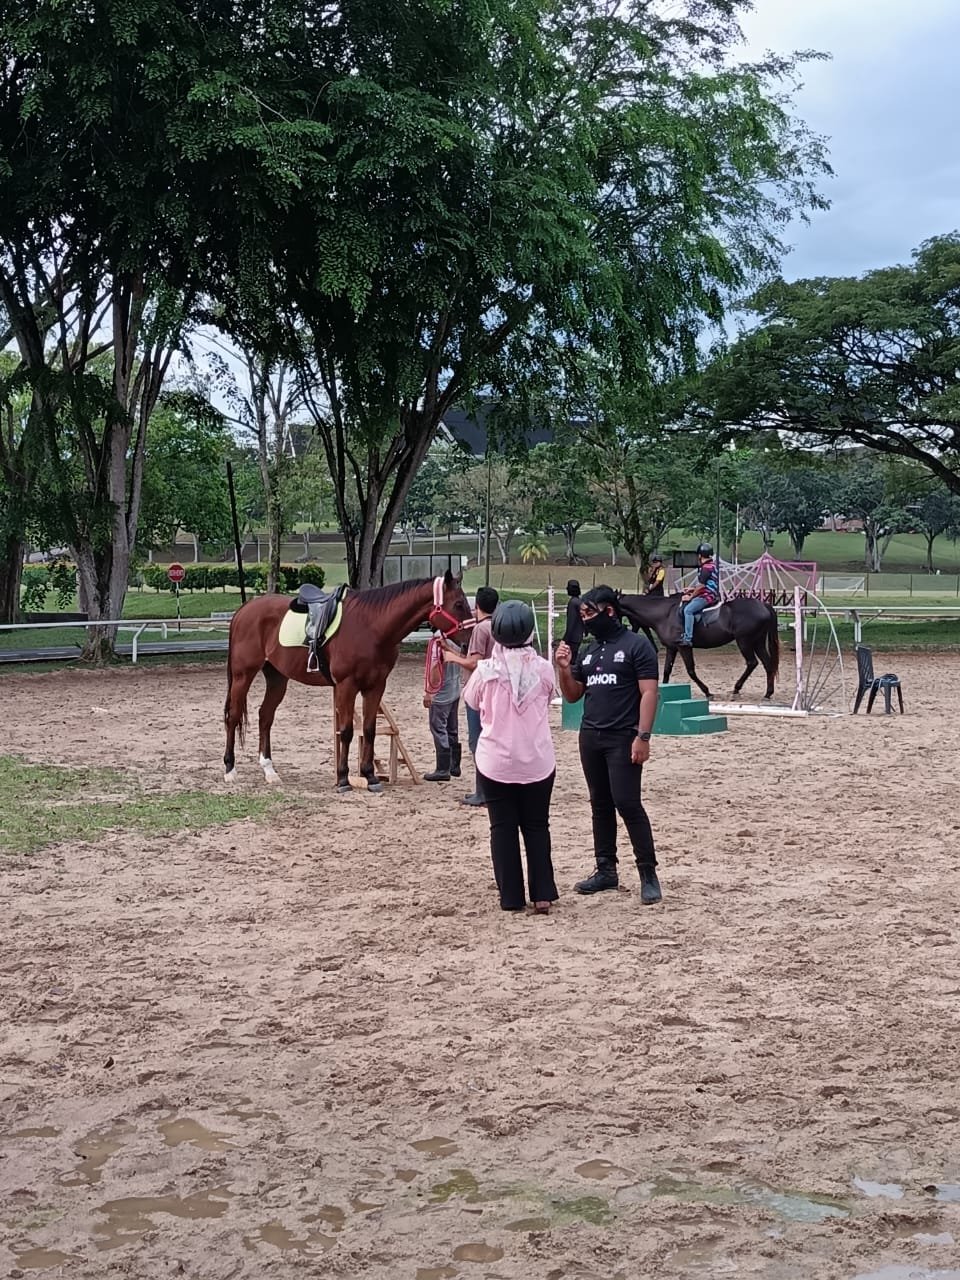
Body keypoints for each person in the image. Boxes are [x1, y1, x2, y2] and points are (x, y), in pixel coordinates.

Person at [555, 585, 662, 904]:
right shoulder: (589, 650)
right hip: (590, 736)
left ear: (610, 611)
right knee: (599, 803)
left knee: (628, 803)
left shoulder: (637, 646)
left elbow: (649, 693)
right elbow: (573, 694)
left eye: (589, 613)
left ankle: (648, 873)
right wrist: (563, 669)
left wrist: (643, 736)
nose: (585, 620)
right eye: (582, 614)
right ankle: (606, 870)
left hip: (623, 737)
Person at [463, 600, 558, 914]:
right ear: (530, 630)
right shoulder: (544, 668)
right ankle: (542, 894)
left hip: (496, 762)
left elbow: (472, 702)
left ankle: (511, 898)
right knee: (537, 826)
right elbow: (549, 696)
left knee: (501, 828)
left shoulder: (485, 671)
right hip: (537, 760)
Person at [443, 585, 499, 805]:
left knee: (478, 741)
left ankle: (482, 792)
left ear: (477, 606)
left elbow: (475, 663)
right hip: (496, 691)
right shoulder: (500, 626)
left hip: (478, 691)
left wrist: (452, 658)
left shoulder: (481, 629)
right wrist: (455, 652)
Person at [422, 632, 462, 782]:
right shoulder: (457, 639)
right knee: (452, 728)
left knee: (438, 728)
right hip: (455, 688)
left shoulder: (437, 641)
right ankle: (454, 764)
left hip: (442, 692)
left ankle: (443, 768)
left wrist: (429, 692)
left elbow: (435, 667)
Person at [679, 543, 720, 646]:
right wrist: (691, 589)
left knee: (688, 610)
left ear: (700, 555)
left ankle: (687, 638)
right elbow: (706, 584)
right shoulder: (712, 565)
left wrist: (690, 596)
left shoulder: (706, 568)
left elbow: (701, 587)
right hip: (710, 593)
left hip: (707, 596)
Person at [562, 579, 584, 662]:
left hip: (572, 638)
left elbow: (571, 623)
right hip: (578, 636)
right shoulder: (579, 601)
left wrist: (564, 639)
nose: (566, 589)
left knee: (570, 661)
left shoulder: (573, 603)